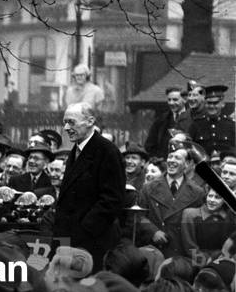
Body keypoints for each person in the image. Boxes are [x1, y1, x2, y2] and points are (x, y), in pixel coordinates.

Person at [56, 103, 126, 271]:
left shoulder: (107, 151)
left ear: (90, 121)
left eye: (71, 122)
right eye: (65, 122)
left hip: (94, 241)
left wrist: (83, 230)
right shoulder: (77, 149)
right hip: (72, 239)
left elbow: (112, 199)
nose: (66, 128)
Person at [136, 147, 205, 257]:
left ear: (187, 164)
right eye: (170, 157)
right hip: (153, 249)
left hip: (180, 252)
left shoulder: (197, 192)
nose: (172, 160)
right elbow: (139, 216)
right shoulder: (148, 187)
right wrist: (153, 231)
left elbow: (198, 228)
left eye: (177, 158)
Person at [181, 188, 236, 264]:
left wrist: (214, 261)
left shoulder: (227, 219)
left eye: (217, 197)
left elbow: (226, 246)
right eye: (210, 196)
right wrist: (203, 263)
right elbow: (189, 245)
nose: (212, 200)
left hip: (217, 261)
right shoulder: (190, 214)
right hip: (193, 261)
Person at [145, 87, 192, 159]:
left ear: (185, 100)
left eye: (175, 100)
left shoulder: (193, 119)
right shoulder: (161, 121)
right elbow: (150, 146)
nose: (171, 103)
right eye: (169, 100)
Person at [190, 85, 235, 156]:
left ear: (222, 104)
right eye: (209, 103)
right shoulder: (196, 124)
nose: (211, 106)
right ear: (205, 104)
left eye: (215, 103)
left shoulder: (231, 125)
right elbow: (190, 149)